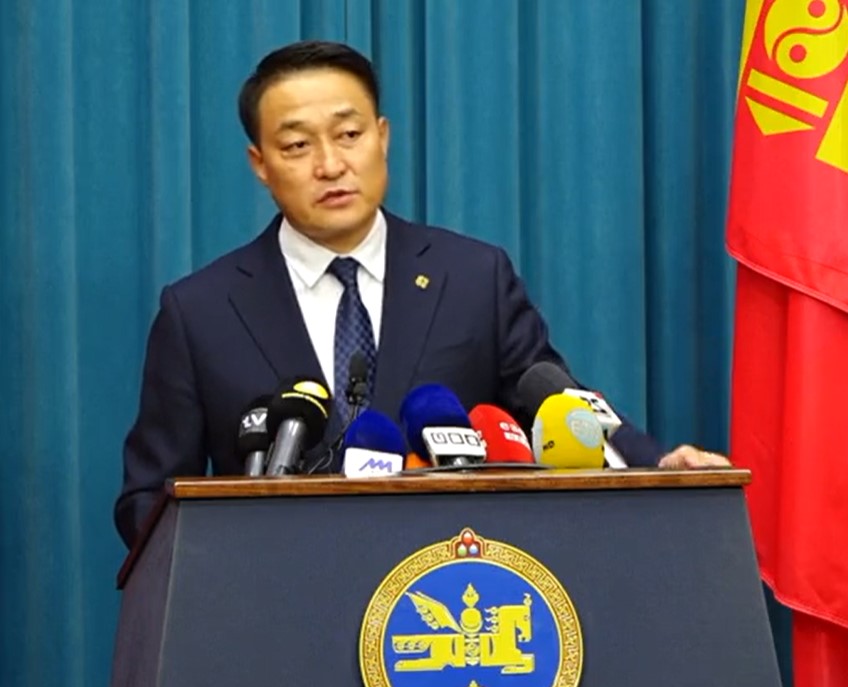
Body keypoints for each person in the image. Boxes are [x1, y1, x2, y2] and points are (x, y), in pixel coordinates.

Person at [115, 40, 729, 548]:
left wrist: (654, 464)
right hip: (276, 614)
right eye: (298, 145)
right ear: (260, 163)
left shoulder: (473, 278)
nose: (330, 165)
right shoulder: (201, 311)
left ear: (382, 136)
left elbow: (555, 406)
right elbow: (148, 498)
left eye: (349, 134)